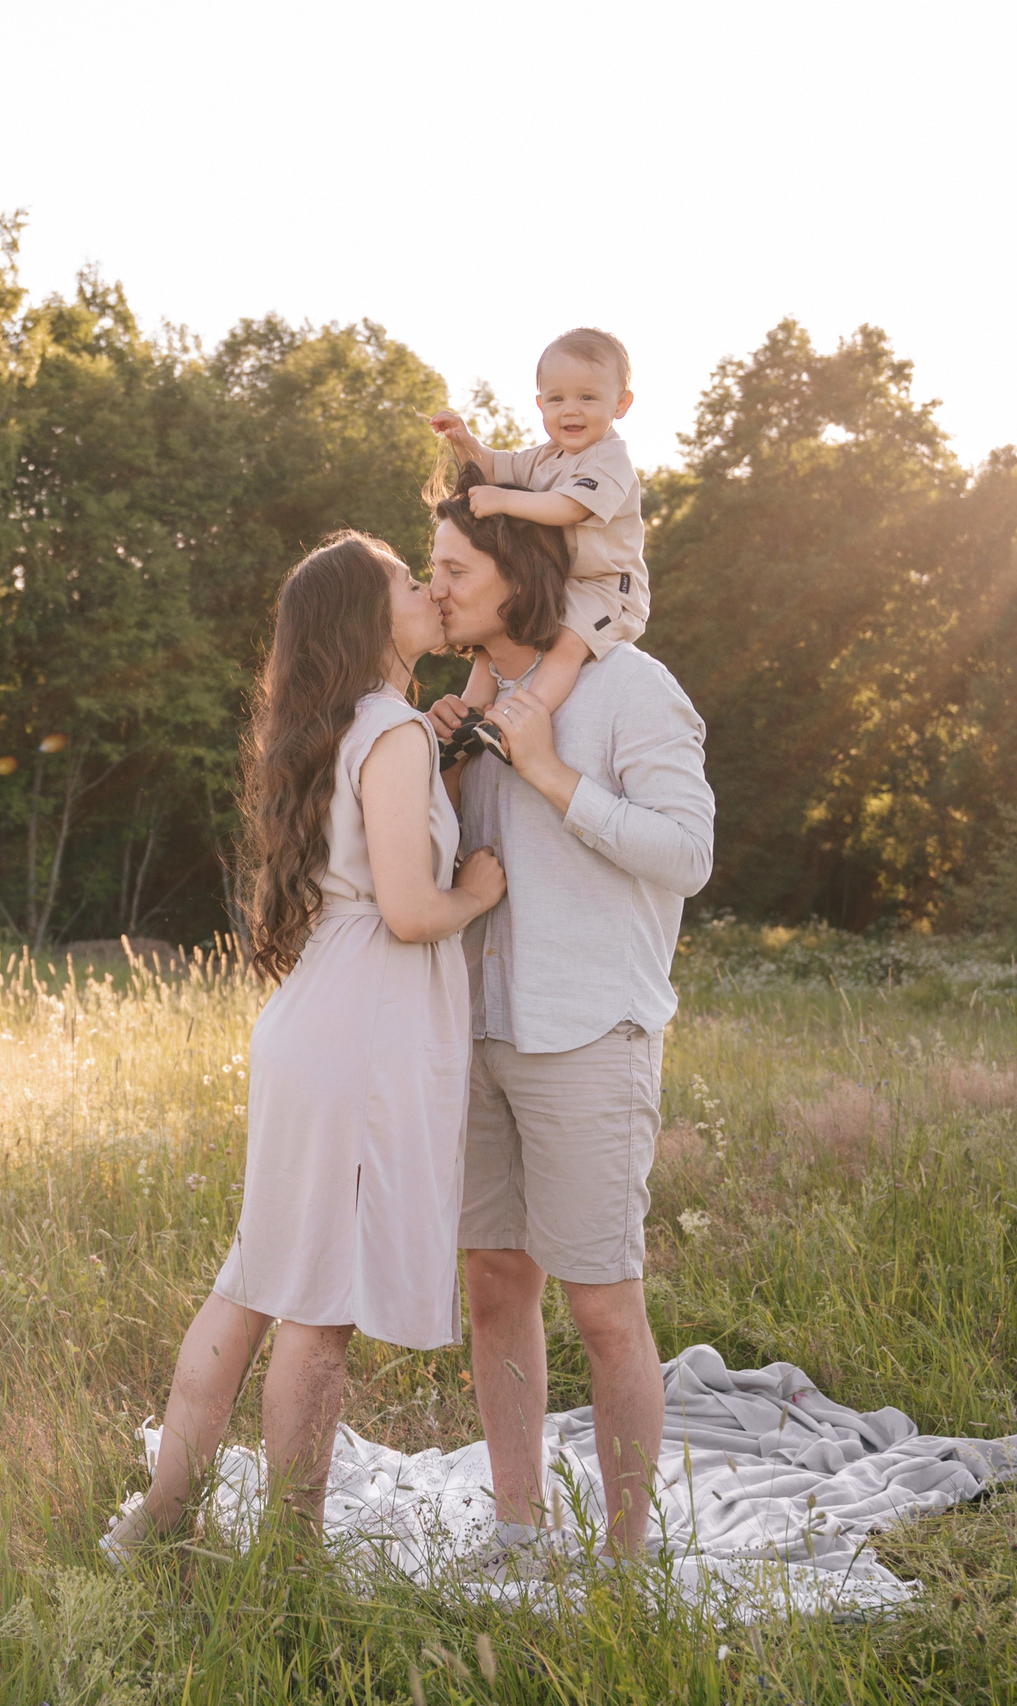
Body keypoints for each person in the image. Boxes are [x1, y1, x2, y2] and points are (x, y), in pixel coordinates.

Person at [102, 532, 506, 1563]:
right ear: (370, 622)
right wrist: (480, 888)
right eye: (408, 582)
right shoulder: (391, 731)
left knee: (254, 1281)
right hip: (361, 1036)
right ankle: (292, 1553)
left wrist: (443, 752)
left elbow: (372, 868)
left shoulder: (351, 728)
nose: (428, 590)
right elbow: (412, 908)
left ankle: (160, 1517)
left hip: (313, 1022)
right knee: (318, 1308)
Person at [426, 474, 715, 1561]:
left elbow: (687, 854)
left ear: (521, 573)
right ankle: (517, 1526)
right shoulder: (458, 699)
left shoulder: (631, 688)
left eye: (456, 568)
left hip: (589, 1029)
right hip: (476, 1029)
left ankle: (628, 1557)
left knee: (602, 1305)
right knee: (494, 1285)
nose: (435, 585)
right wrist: (437, 762)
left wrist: (547, 774)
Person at [426, 329, 647, 748]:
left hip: (607, 588)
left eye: (588, 397)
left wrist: (504, 500)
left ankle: (519, 720)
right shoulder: (548, 456)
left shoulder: (609, 460)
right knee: (499, 635)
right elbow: (496, 466)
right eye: (557, 398)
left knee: (566, 643)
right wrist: (465, 440)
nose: (571, 410)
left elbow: (569, 508)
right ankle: (468, 723)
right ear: (540, 403)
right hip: (561, 581)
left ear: (621, 404)